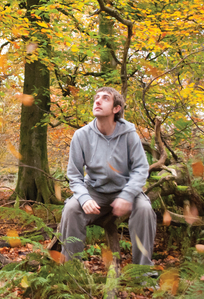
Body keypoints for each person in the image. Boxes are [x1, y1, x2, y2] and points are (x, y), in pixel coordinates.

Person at [60, 87, 156, 265]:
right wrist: (84, 198)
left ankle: (142, 272)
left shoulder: (129, 135)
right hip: (94, 191)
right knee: (71, 209)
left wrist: (127, 195)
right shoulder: (81, 136)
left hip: (124, 189)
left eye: (105, 98)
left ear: (116, 109)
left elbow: (141, 168)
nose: (97, 101)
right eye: (96, 98)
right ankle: (70, 270)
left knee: (144, 209)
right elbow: (74, 174)